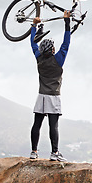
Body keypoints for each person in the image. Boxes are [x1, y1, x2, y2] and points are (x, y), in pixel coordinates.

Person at [29, 10, 71, 162]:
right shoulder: (58, 60)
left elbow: (32, 43)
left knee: (37, 124)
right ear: (52, 50)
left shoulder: (38, 58)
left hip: (41, 96)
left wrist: (34, 25)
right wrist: (67, 22)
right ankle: (54, 153)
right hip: (53, 97)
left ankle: (34, 151)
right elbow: (66, 43)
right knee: (53, 126)